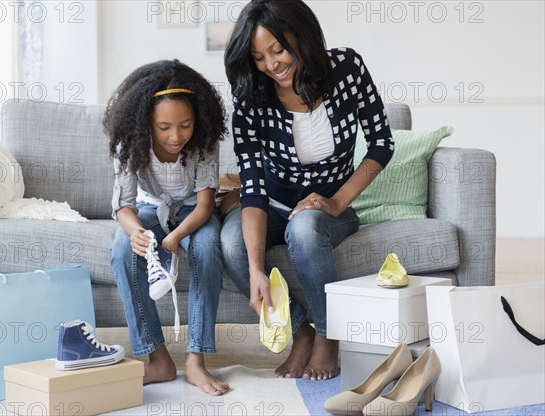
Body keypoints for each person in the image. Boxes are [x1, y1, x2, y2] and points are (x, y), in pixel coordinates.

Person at [221, 0, 395, 381]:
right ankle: (301, 332)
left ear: (301, 36)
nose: (271, 65)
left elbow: (382, 143)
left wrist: (336, 201)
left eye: (278, 50)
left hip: (327, 211)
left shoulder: (346, 69)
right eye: (259, 57)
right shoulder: (251, 98)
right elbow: (252, 187)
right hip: (273, 205)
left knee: (303, 226)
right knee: (233, 244)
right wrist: (254, 269)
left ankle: (329, 335)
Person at [104, 59, 229, 395]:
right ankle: (157, 359)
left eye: (185, 125)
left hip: (192, 211)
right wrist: (136, 233)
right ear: (146, 124)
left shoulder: (202, 140)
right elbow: (124, 206)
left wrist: (175, 237)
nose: (176, 136)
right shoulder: (129, 144)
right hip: (148, 208)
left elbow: (204, 205)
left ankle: (196, 360)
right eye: (164, 128)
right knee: (121, 253)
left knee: (205, 249)